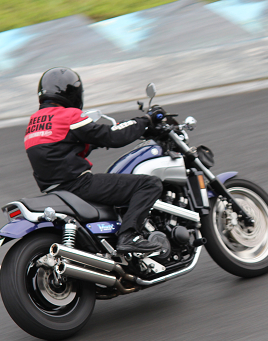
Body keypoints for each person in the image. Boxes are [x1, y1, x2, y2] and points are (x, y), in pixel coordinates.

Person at [24, 67, 164, 253]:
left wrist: (93, 143)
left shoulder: (34, 122)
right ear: (71, 92)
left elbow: (61, 148)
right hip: (78, 184)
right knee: (150, 184)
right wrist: (145, 121)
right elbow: (112, 136)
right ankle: (130, 236)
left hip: (53, 188)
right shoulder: (68, 115)